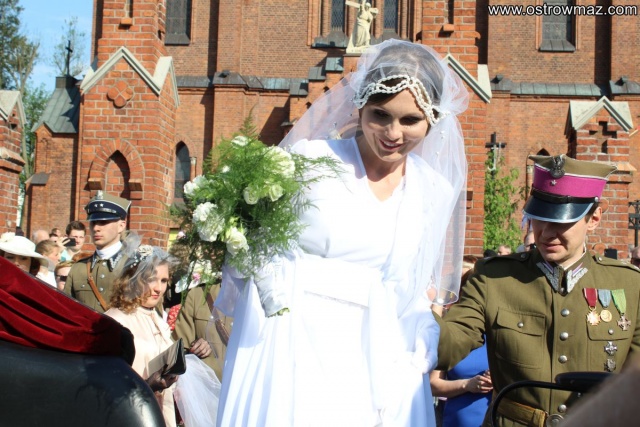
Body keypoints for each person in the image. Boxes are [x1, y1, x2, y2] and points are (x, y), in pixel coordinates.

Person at [215, 39, 468, 426]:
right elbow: (252, 252)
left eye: (410, 120)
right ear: (361, 105)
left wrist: (422, 333)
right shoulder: (310, 161)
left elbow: (414, 283)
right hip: (293, 348)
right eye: (380, 115)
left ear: (432, 120)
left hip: (377, 358)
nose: (393, 132)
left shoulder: (433, 190)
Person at [436, 154, 640, 426]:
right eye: (539, 218)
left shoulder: (628, 284)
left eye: (561, 221)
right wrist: (417, 313)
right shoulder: (494, 277)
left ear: (594, 218)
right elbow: (449, 344)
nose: (546, 232)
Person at [104, 240, 182, 426]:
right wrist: (147, 385)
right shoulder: (116, 321)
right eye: (151, 279)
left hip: (160, 412)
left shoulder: (157, 320)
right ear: (133, 278)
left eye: (164, 281)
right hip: (129, 416)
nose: (158, 288)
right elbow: (107, 382)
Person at [430, 269, 492, 427]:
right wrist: (467, 385)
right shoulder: (453, 333)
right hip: (455, 421)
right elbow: (433, 384)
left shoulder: (502, 334)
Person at [64, 192, 131, 313]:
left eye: (103, 222)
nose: (96, 228)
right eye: (93, 222)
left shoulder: (135, 266)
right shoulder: (78, 269)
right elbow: (66, 312)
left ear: (121, 226)